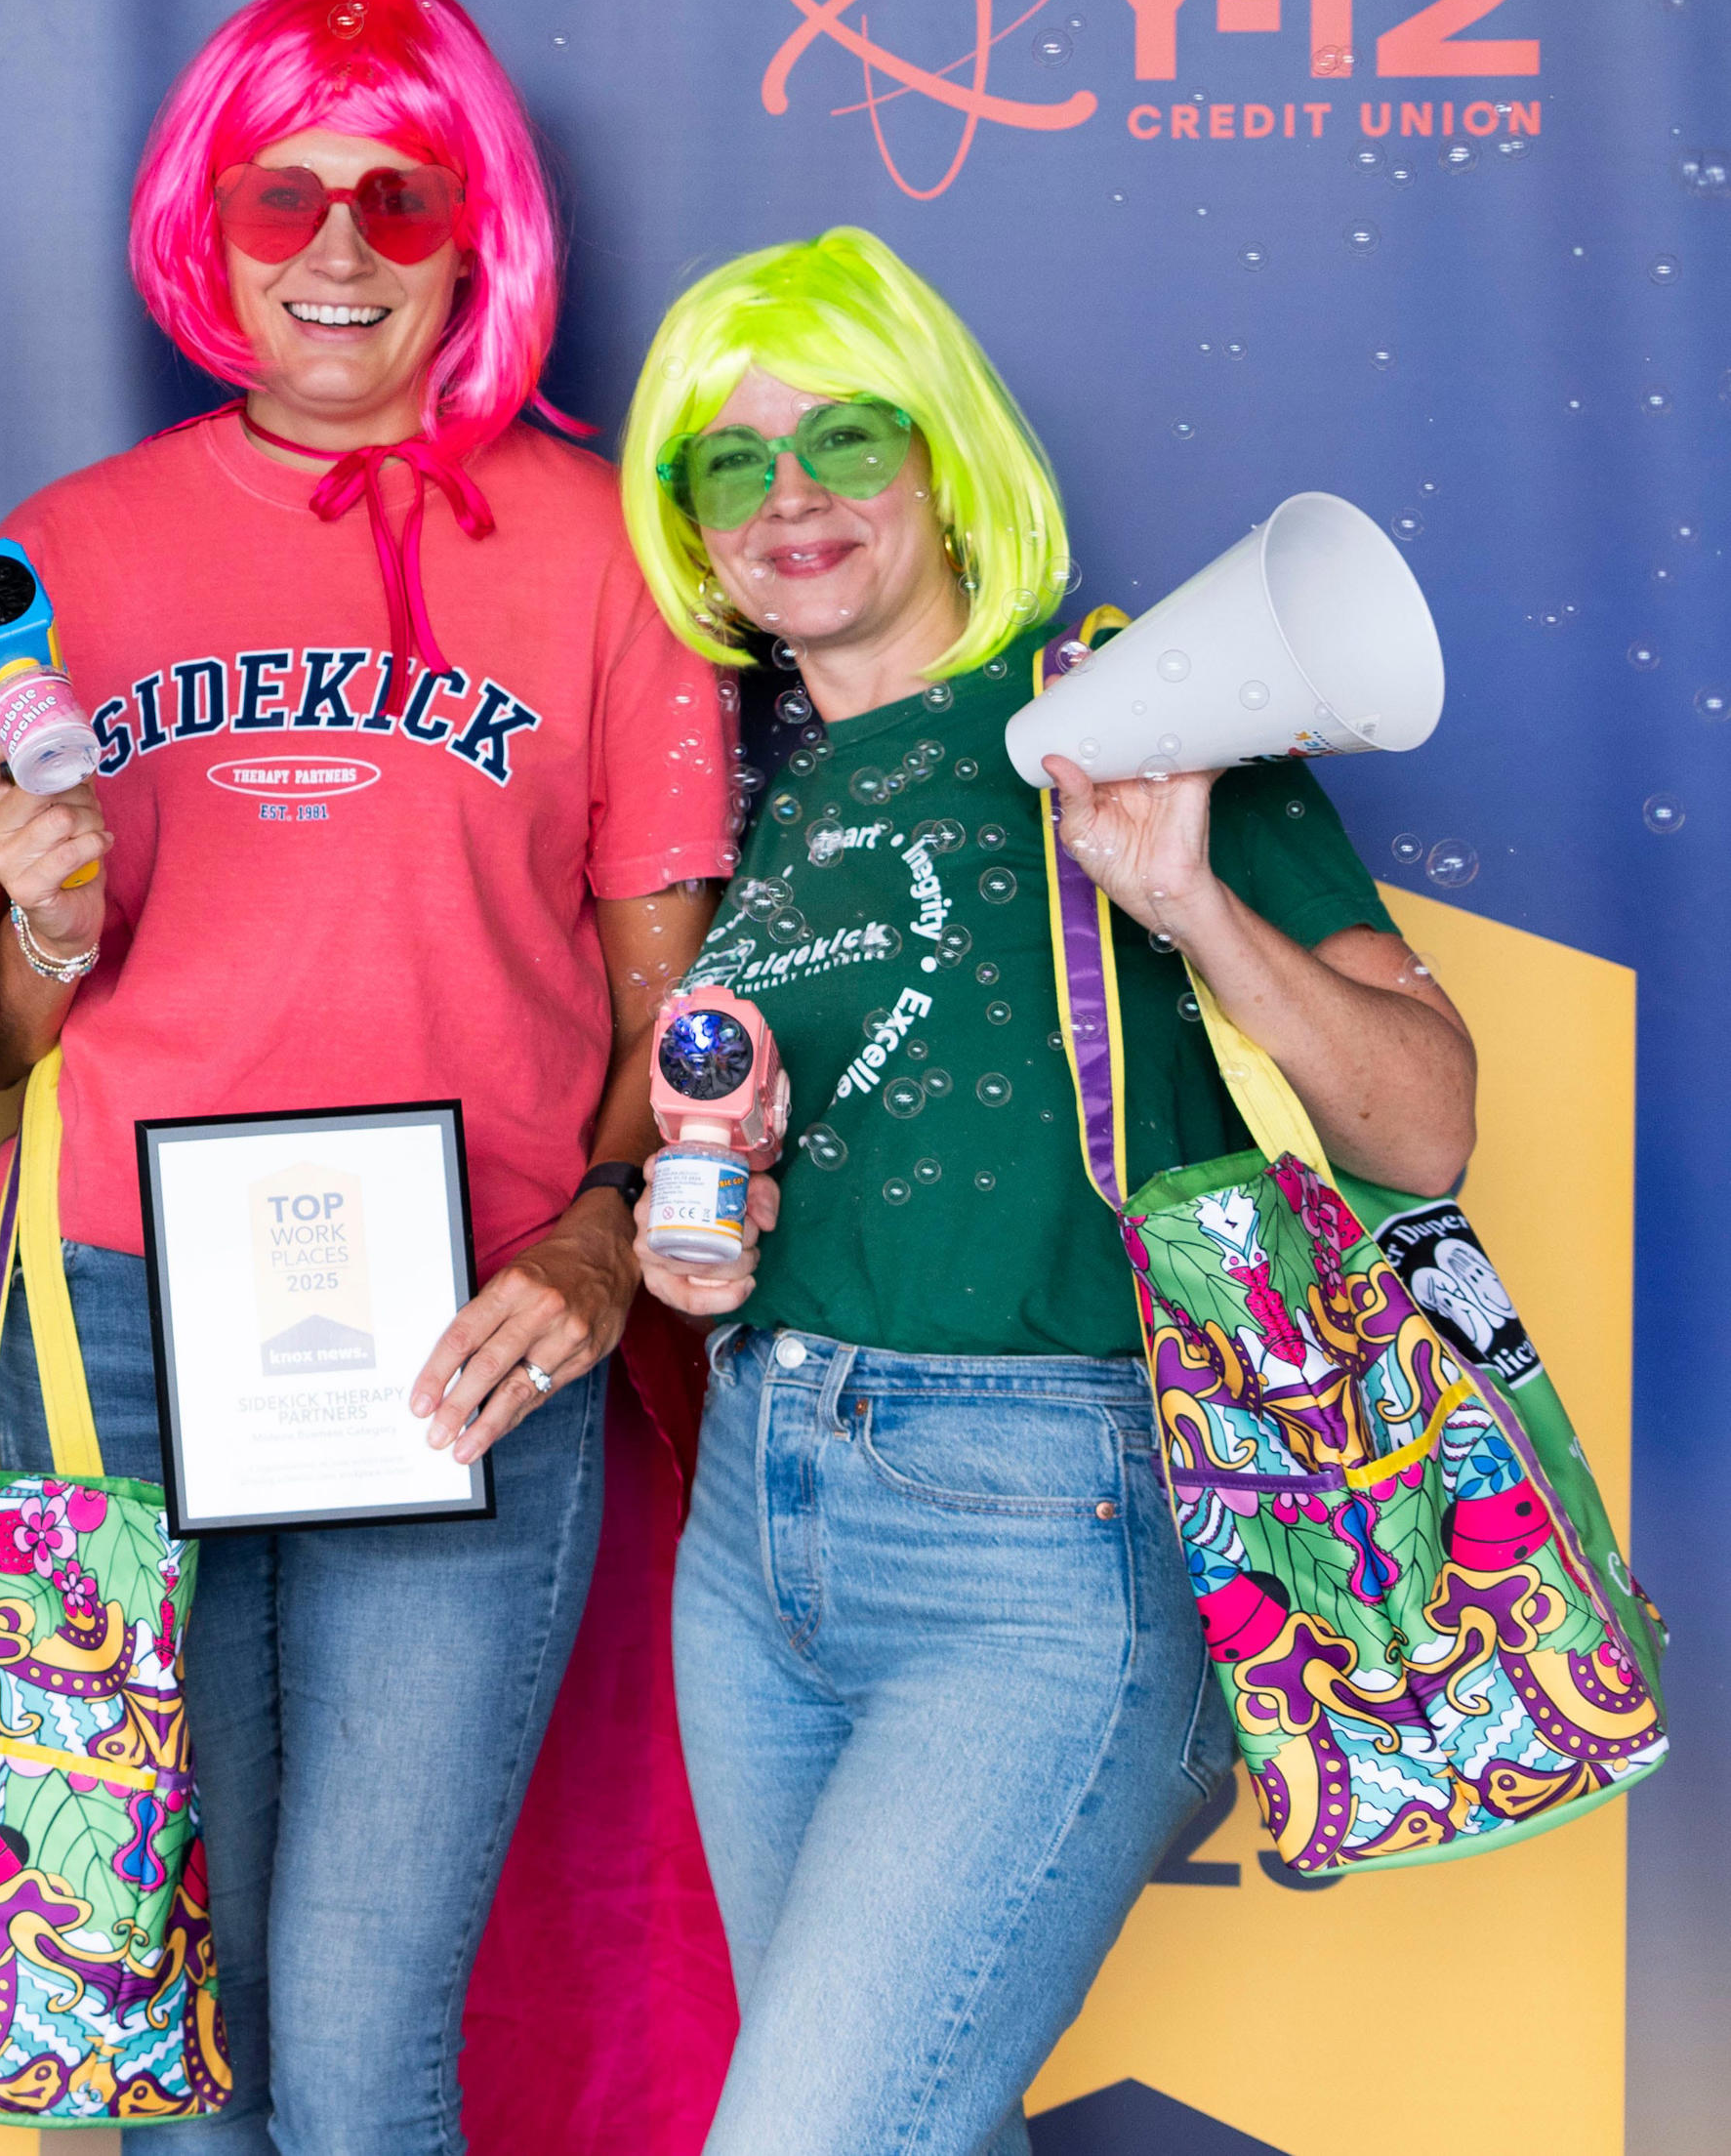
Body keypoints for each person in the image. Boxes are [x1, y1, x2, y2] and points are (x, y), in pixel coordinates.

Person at [0, 0, 741, 2156]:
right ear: (202, 230)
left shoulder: (612, 553)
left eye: (395, 201)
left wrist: (598, 1242)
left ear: (475, 234)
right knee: (143, 2010)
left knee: (363, 2031)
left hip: (467, 1321)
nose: (332, 249)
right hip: (120, 1313)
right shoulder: (56, 554)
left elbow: (673, 1018)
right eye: (277, 195)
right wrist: (42, 916)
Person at [615, 228, 1477, 2156]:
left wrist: (1186, 902)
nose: (789, 496)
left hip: (1044, 1542)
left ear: (944, 459)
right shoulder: (769, 797)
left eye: (845, 437)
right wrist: (714, 1232)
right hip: (756, 1526)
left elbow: (1424, 1129)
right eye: (729, 463)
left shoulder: (1131, 712)